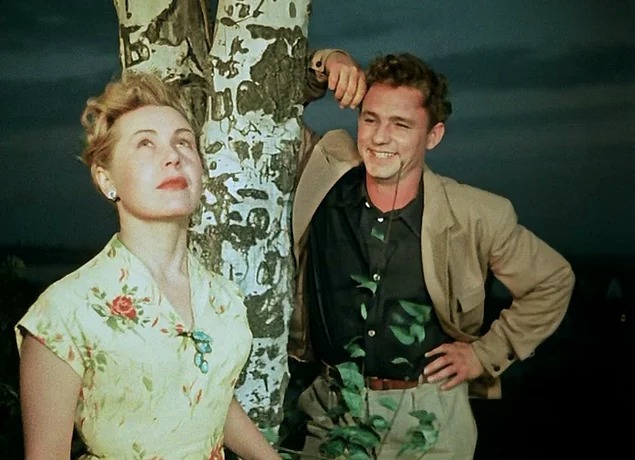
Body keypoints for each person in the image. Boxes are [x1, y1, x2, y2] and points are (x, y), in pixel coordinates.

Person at [15, 47, 365, 460]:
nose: (172, 157)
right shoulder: (64, 312)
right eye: (145, 144)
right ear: (106, 179)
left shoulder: (221, 297)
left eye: (183, 142)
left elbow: (209, 397)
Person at [288, 53, 575, 459]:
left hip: (429, 419)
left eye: (401, 125)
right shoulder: (324, 171)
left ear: (433, 135)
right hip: (332, 412)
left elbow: (553, 280)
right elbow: (268, 109)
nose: (380, 138)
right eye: (370, 119)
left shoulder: (477, 214)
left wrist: (484, 355)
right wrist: (324, 66)